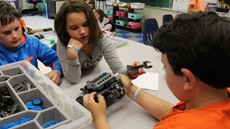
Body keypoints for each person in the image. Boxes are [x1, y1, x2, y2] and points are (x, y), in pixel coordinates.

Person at [83, 11, 230, 128]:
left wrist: (99, 118)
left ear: (187, 78)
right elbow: (179, 113)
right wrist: (129, 88)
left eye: (165, 67)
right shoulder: (218, 96)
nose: (164, 71)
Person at [54, 0, 144, 84]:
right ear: (65, 29)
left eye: (86, 24)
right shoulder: (63, 43)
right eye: (74, 28)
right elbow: (73, 79)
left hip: (93, 73)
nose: (82, 31)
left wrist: (130, 72)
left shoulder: (101, 39)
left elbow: (118, 70)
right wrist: (72, 56)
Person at [0, 1, 62, 85]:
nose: (14, 36)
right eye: (7, 32)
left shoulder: (33, 43)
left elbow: (56, 58)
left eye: (17, 28)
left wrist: (57, 71)